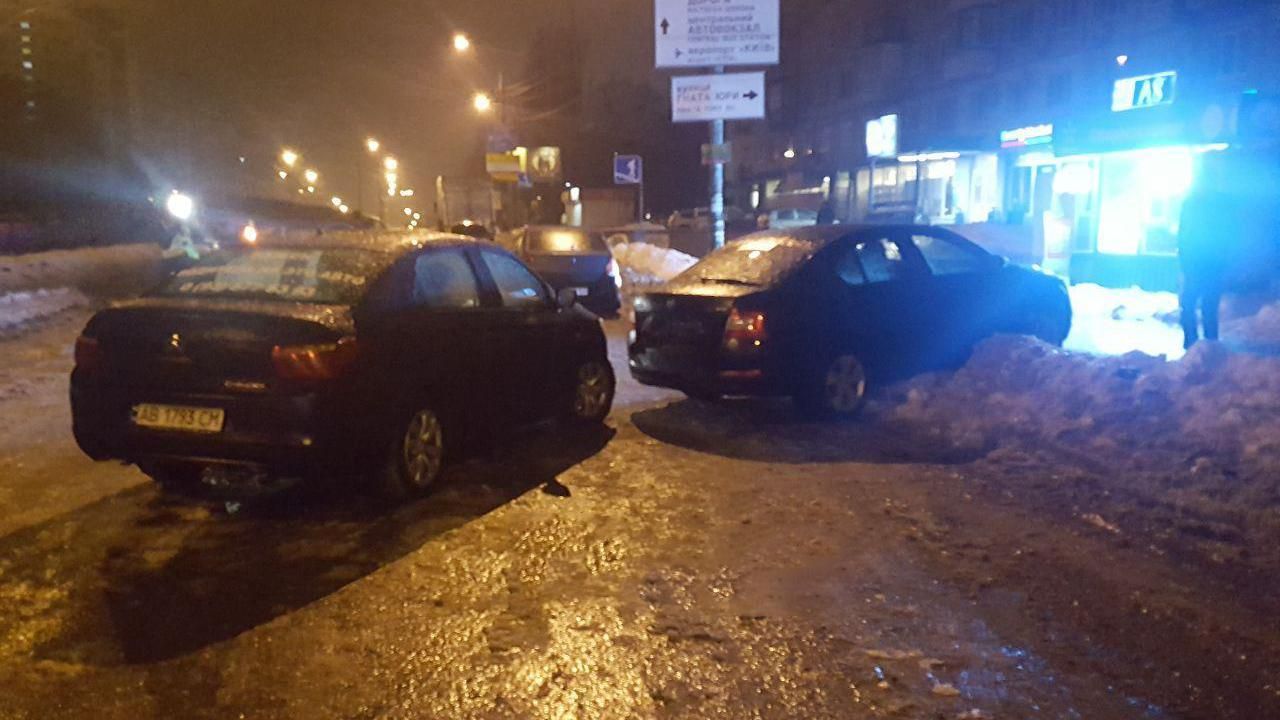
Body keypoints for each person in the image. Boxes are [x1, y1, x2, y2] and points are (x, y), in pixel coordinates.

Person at [1178, 191, 1232, 349]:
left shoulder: (1191, 204)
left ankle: (1192, 342)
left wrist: (1185, 262)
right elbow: (1226, 235)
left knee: (1190, 304)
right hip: (1210, 264)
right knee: (1208, 305)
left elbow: (1183, 234)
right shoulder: (1219, 204)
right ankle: (1210, 342)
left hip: (1197, 263)